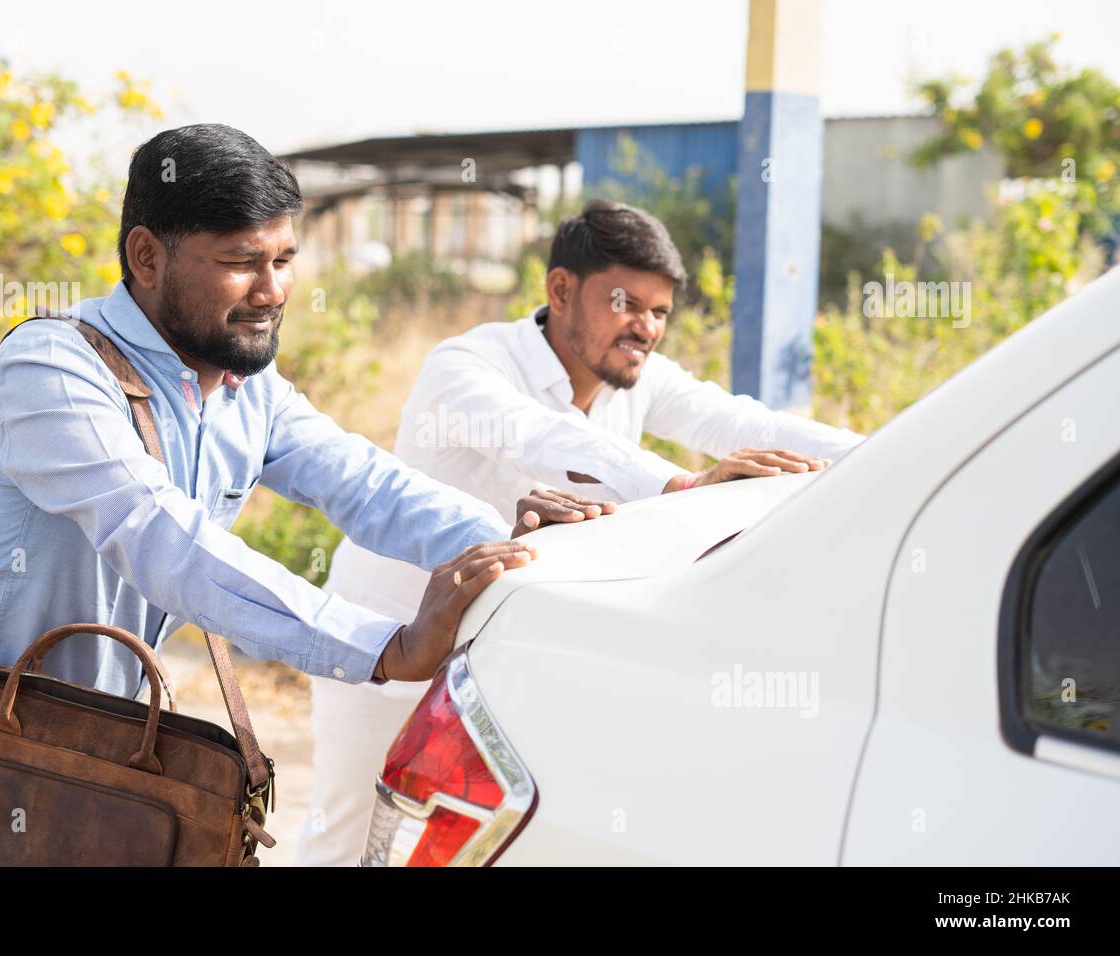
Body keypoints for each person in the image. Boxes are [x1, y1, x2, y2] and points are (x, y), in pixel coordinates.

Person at [0, 124, 609, 710]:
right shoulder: (51, 372)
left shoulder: (244, 386)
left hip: (109, 750)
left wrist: (515, 549)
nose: (273, 291)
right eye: (241, 262)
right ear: (146, 256)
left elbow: (367, 485)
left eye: (283, 260)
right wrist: (387, 648)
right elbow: (164, 541)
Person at [299, 198, 866, 865]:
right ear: (561, 290)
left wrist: (896, 452)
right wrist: (682, 484)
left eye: (659, 313)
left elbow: (747, 425)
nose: (646, 328)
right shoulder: (466, 366)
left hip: (506, 656)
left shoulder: (637, 378)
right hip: (389, 643)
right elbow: (543, 437)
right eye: (627, 304)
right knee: (350, 838)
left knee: (484, 846)